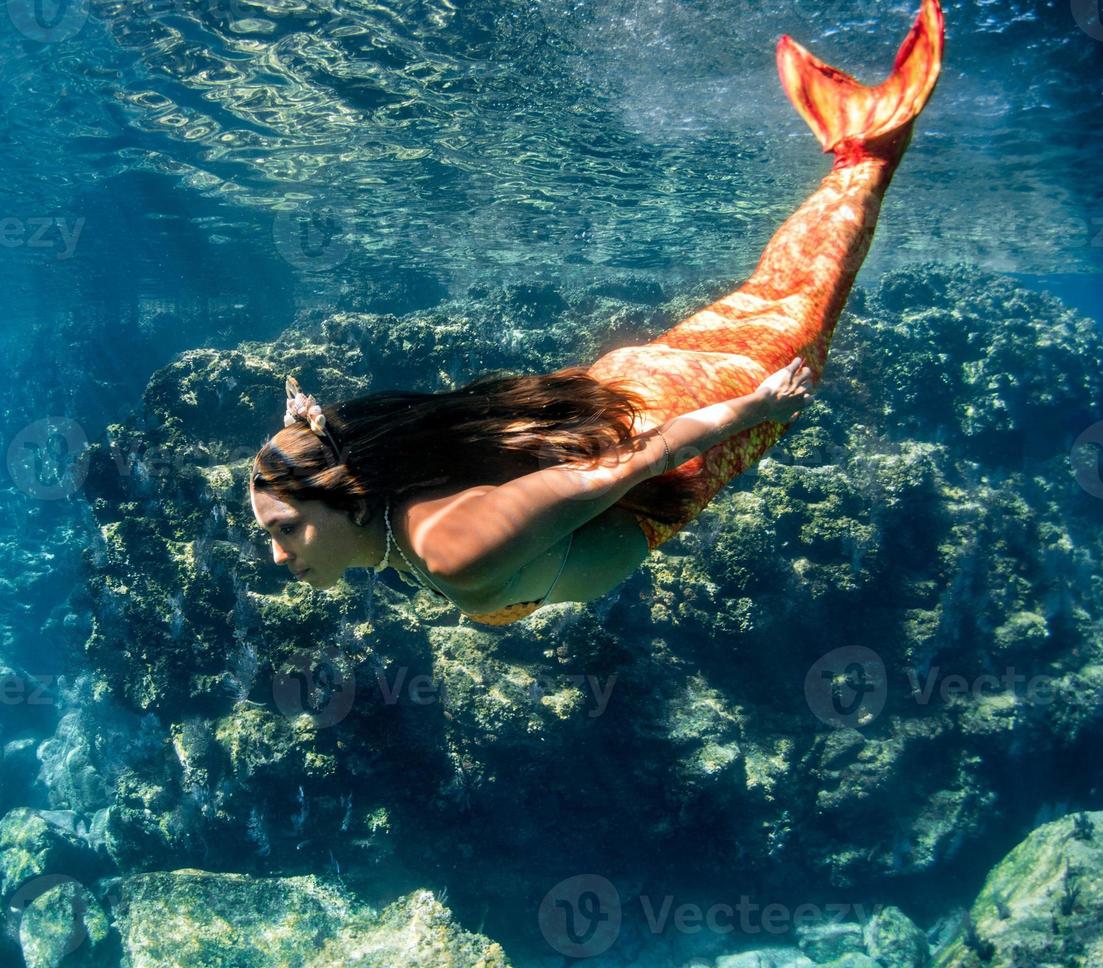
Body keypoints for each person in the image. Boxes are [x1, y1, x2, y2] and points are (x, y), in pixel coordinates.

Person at [250, 0, 944, 626]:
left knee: (804, 301)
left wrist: (755, 413)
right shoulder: (377, 482)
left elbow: (621, 469)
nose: (278, 555)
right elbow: (350, 455)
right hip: (618, 394)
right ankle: (856, 149)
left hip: (679, 428)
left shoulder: (449, 552)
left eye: (285, 528)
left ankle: (868, 149)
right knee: (774, 289)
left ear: (343, 498)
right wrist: (313, 430)